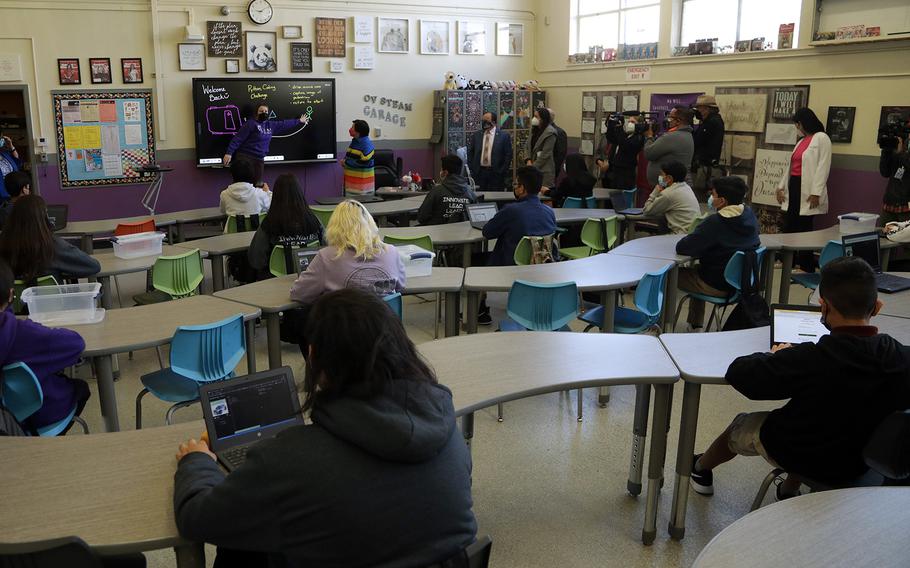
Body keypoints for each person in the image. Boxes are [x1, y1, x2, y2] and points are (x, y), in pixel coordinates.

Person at [173, 288, 477, 568]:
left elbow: (197, 519)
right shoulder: (447, 428)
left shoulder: (287, 460)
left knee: (240, 546)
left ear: (314, 357)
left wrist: (196, 461)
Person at [690, 256, 910, 499]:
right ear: (877, 307)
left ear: (824, 306)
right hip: (861, 460)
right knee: (818, 416)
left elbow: (740, 374)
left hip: (803, 451)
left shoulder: (809, 358)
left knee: (742, 425)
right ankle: (787, 490)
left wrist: (774, 356)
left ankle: (700, 468)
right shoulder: (902, 357)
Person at [0, 258, 89, 434]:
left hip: (4, 423)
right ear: (11, 295)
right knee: (80, 388)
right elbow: (76, 344)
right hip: (37, 419)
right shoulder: (24, 334)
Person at [675, 176, 760, 330]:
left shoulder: (715, 222)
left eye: (713, 195)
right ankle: (695, 324)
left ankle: (662, 324)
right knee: (697, 271)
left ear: (722, 201)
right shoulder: (749, 215)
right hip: (741, 283)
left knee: (669, 274)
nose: (710, 198)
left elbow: (683, 247)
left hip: (716, 284)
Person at [290, 199, 404, 305]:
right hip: (384, 324)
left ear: (335, 227)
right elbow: (400, 286)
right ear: (370, 223)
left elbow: (298, 294)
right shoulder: (392, 252)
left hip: (343, 325)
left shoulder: (326, 257)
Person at [775, 107, 832, 272]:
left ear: (803, 122)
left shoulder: (822, 138)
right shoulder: (801, 141)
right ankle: (787, 261)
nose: (797, 128)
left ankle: (806, 265)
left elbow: (823, 167)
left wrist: (816, 192)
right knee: (790, 225)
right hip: (794, 185)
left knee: (804, 227)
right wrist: (780, 187)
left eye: (797, 124)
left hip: (808, 189)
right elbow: (790, 166)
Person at [0, 195, 100, 284]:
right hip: (53, 303)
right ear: (43, 217)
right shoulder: (53, 245)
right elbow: (93, 266)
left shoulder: (3, 243)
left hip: (13, 304)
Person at [247, 173, 324, 280]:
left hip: (273, 283)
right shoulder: (314, 221)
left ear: (276, 195)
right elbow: (327, 251)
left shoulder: (268, 223)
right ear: (299, 193)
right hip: (310, 279)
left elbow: (256, 260)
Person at [222, 104, 310, 184]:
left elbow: (284, 124)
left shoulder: (271, 125)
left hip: (259, 159)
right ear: (256, 112)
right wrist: (229, 153)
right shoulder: (250, 124)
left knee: (258, 184)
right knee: (241, 184)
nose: (263, 113)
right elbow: (238, 138)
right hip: (245, 158)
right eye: (261, 111)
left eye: (265, 111)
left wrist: (299, 121)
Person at [641, 160, 700, 235]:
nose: (660, 177)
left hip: (678, 236)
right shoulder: (686, 187)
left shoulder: (669, 194)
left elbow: (646, 210)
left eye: (662, 174)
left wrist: (656, 191)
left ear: (669, 178)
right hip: (690, 234)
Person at [418, 154, 477, 226]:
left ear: (445, 172)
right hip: (463, 234)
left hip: (437, 234)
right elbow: (475, 218)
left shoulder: (436, 192)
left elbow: (422, 217)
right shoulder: (470, 193)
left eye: (441, 169)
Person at [643, 106, 695, 187]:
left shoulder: (672, 136)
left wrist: (649, 137)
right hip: (672, 184)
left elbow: (648, 153)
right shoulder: (687, 134)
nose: (668, 120)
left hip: (667, 186)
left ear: (678, 121)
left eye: (670, 118)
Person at [597, 113, 645, 193]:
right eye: (629, 121)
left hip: (626, 175)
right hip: (615, 174)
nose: (629, 124)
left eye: (632, 122)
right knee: (610, 201)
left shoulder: (639, 137)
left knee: (620, 203)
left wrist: (620, 128)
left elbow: (625, 145)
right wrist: (611, 125)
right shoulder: (626, 135)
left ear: (639, 125)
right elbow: (611, 138)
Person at [692, 95, 726, 202]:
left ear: (707, 108)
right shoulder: (713, 120)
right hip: (706, 165)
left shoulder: (711, 122)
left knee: (700, 197)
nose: (698, 111)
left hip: (704, 166)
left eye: (699, 108)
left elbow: (697, 141)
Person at [467, 111, 512, 190]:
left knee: (495, 198)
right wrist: (472, 168)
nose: (484, 121)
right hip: (479, 173)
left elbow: (508, 155)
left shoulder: (504, 136)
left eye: (487, 119)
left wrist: (502, 171)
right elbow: (471, 152)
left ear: (494, 122)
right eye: (483, 119)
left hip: (496, 174)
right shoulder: (477, 135)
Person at [879, 118, 910, 225]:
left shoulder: (901, 150)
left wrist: (900, 153)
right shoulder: (898, 145)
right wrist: (886, 151)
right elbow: (885, 172)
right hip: (890, 202)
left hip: (907, 205)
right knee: (882, 235)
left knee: (905, 240)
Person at [526, 108, 558, 189]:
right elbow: (527, 146)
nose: (534, 119)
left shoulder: (550, 132)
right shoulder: (534, 130)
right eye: (534, 116)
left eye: (536, 117)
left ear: (543, 118)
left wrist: (533, 167)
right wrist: (528, 160)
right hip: (531, 167)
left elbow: (546, 153)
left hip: (544, 170)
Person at [343, 119, 375, 196]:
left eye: (352, 127)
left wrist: (346, 162)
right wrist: (345, 161)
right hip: (351, 187)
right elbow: (349, 157)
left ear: (358, 131)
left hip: (362, 190)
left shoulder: (366, 144)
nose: (350, 129)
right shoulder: (354, 142)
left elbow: (364, 162)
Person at [0, 131, 22, 200]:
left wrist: (11, 146)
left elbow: (16, 161)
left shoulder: (4, 154)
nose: (1, 140)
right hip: (2, 195)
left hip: (13, 192)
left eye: (1, 138)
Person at [548, 107, 569, 179]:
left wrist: (553, 168)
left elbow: (561, 153)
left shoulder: (559, 132)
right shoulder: (539, 131)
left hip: (551, 169)